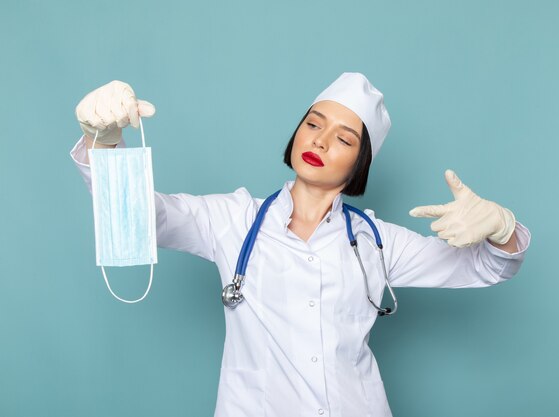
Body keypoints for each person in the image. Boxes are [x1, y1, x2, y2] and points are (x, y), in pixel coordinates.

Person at [70, 74, 531, 417]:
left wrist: (501, 226)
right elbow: (138, 222)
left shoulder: (376, 240)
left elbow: (487, 267)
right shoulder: (233, 219)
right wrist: (105, 145)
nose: (321, 140)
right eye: (314, 123)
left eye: (344, 138)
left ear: (359, 165)